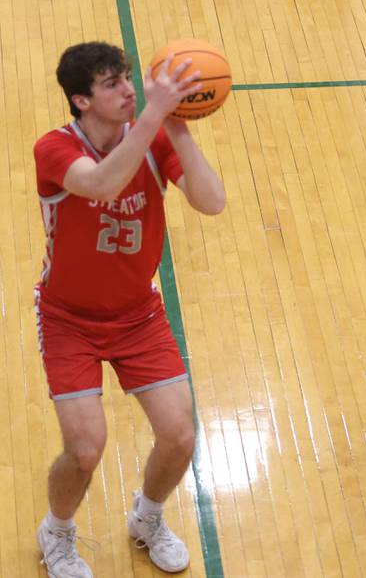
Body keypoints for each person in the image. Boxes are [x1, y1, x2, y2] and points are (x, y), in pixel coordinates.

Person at [33, 41, 226, 577]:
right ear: (81, 101)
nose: (128, 90)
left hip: (138, 316)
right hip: (68, 320)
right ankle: (58, 533)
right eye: (111, 84)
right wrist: (155, 120)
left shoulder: (156, 136)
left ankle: (148, 518)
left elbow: (212, 201)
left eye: (126, 78)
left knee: (180, 435)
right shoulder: (53, 149)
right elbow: (100, 183)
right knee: (86, 447)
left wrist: (179, 127)